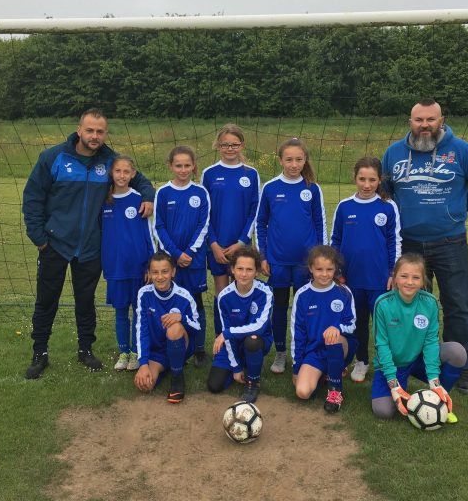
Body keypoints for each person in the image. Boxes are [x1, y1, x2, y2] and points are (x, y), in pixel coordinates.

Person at [22, 107, 154, 380]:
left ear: (105, 133)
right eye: (90, 130)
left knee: (85, 300)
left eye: (100, 131)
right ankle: (40, 353)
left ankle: (85, 349)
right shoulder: (53, 158)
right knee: (47, 301)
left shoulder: (109, 160)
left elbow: (138, 178)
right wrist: (39, 238)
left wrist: (149, 196)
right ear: (79, 130)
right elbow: (33, 197)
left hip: (91, 247)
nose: (95, 136)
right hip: (55, 244)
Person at [382, 98, 468, 394]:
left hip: (450, 242)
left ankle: (462, 368)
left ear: (441, 120)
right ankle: (416, 361)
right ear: (410, 122)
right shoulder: (394, 153)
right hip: (409, 244)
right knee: (410, 303)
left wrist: (457, 210)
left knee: (456, 305)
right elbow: (385, 190)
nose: (424, 125)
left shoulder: (461, 151)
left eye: (430, 120)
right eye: (419, 120)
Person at [256, 137, 326, 374]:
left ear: (305, 160)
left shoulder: (312, 188)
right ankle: (281, 352)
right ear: (281, 160)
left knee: (306, 308)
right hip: (277, 261)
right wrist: (263, 256)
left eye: (298, 159)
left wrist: (319, 261)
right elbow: (261, 223)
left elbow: (320, 223)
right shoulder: (271, 188)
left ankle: (305, 350)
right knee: (279, 307)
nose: (294, 164)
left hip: (304, 264)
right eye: (289, 159)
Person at [331, 156, 401, 383]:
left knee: (384, 324)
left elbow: (394, 242)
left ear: (379, 180)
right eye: (362, 179)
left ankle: (385, 363)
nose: (367, 184)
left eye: (372, 179)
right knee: (358, 322)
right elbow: (335, 241)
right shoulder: (344, 207)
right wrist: (336, 272)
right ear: (355, 178)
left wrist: (393, 272)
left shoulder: (388, 207)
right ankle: (361, 361)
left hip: (380, 279)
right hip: (351, 279)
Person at [371, 253, 465, 421]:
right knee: (383, 411)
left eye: (415, 277)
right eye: (404, 276)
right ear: (395, 278)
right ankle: (402, 384)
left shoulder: (429, 303)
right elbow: (381, 345)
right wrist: (393, 383)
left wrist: (434, 381)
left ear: (423, 281)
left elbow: (430, 342)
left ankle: (437, 400)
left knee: (457, 352)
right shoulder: (383, 303)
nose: (409, 282)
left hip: (417, 360)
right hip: (393, 364)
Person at [153, 146, 211, 367]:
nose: (183, 169)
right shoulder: (163, 192)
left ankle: (199, 349)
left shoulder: (200, 192)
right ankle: (175, 344)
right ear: (171, 166)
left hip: (194, 260)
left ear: (193, 166)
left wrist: (189, 253)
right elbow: (159, 226)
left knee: (195, 303)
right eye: (179, 165)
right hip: (172, 261)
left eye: (187, 165)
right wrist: (176, 254)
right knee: (171, 302)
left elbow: (203, 225)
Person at [201, 124, 261, 336]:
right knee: (222, 293)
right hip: (217, 246)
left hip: (241, 247)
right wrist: (214, 243)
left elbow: (255, 210)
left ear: (242, 145)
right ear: (218, 145)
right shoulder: (209, 174)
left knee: (243, 291)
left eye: (234, 144)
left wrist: (242, 241)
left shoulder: (251, 174)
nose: (229, 148)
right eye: (225, 144)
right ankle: (222, 340)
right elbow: (204, 213)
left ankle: (242, 338)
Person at [101, 155, 156, 372]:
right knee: (121, 311)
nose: (122, 175)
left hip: (138, 268)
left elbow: (150, 235)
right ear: (111, 174)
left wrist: (150, 265)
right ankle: (123, 351)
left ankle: (136, 352)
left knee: (139, 312)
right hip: (115, 268)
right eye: (118, 171)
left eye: (126, 172)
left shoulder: (140, 200)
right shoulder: (104, 201)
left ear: (133, 174)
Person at [291, 245, 357, 413]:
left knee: (333, 337)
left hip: (340, 346)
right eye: (319, 269)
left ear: (335, 269)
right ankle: (325, 372)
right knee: (302, 392)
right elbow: (297, 333)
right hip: (314, 352)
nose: (325, 274)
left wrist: (337, 327)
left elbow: (351, 324)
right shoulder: (302, 295)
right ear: (311, 269)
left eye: (329, 269)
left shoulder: (344, 292)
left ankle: (335, 390)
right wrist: (297, 367)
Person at [206, 246, 273, 403]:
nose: (244, 274)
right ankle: (243, 365)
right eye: (240, 268)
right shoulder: (224, 296)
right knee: (214, 385)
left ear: (256, 272)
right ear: (232, 270)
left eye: (249, 269)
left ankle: (253, 382)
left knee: (253, 340)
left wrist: (227, 334)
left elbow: (259, 326)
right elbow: (226, 333)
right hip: (232, 343)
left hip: (257, 340)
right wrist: (235, 368)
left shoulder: (265, 292)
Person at [134, 252, 201, 403]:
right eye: (155, 272)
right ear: (149, 274)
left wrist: (182, 318)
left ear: (173, 272)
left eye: (164, 271)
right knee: (145, 385)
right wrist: (143, 364)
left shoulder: (184, 296)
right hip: (157, 352)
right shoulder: (144, 294)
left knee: (174, 328)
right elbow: (141, 330)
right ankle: (166, 367)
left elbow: (197, 328)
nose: (160, 277)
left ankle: (177, 377)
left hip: (181, 344)